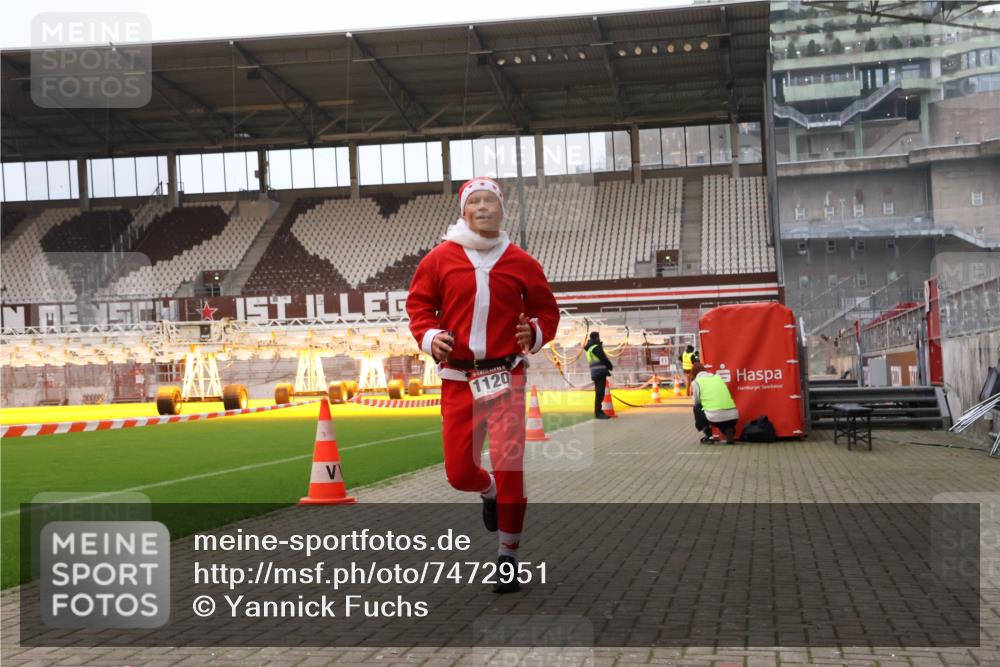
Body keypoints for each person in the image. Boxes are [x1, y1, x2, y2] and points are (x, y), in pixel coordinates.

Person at [407, 176, 560, 594]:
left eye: (489, 201)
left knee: (510, 466)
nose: (482, 207)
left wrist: (536, 331)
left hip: (506, 377)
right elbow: (419, 307)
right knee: (459, 472)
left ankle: (507, 555)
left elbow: (547, 310)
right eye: (474, 201)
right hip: (458, 379)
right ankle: (488, 492)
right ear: (463, 210)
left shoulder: (522, 262)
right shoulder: (439, 259)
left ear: (501, 209)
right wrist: (429, 337)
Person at [690, 363, 739, 444]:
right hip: (733, 417)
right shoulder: (717, 377)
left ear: (694, 373)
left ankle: (709, 436)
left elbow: (696, 401)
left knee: (697, 407)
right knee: (721, 414)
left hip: (715, 417)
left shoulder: (696, 382)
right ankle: (728, 429)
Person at [585, 331, 614, 419]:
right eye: (598, 337)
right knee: (600, 393)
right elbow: (603, 358)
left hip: (595, 372)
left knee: (599, 393)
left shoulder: (589, 348)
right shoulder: (596, 347)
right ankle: (598, 413)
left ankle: (598, 412)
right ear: (597, 337)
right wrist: (610, 366)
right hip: (600, 372)